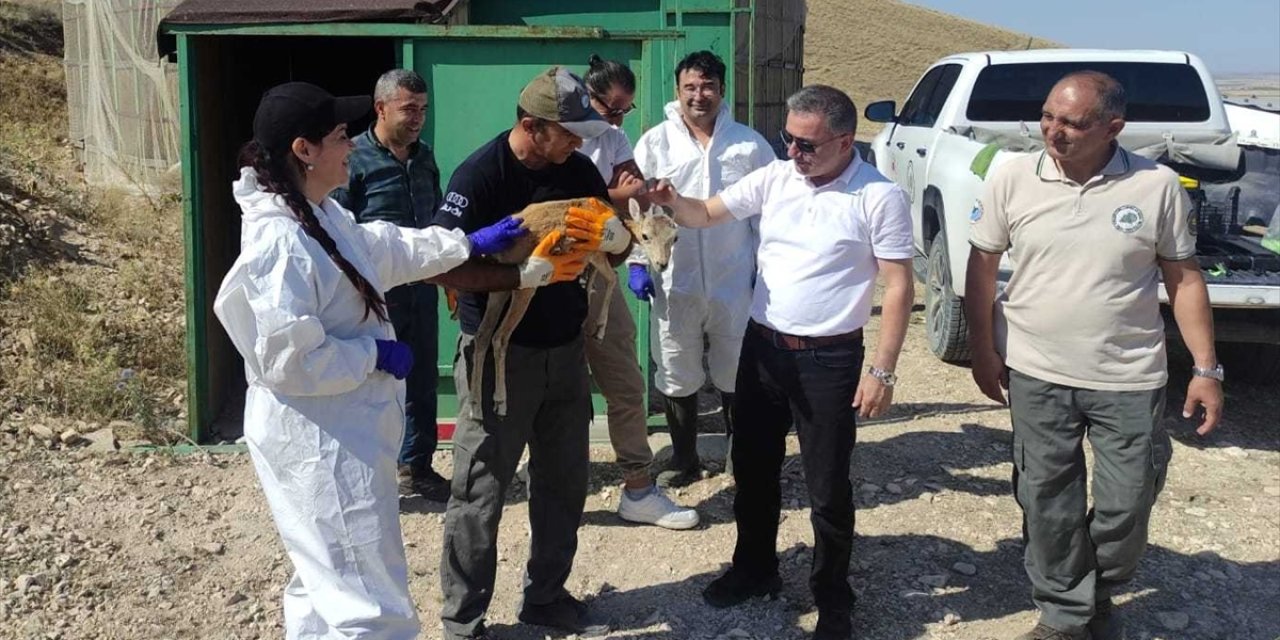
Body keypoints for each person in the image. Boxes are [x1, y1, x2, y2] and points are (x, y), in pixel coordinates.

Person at [212, 81, 532, 639]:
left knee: (322, 585)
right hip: (322, 442)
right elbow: (285, 359)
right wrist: (371, 354)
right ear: (303, 150)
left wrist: (466, 244)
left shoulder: (319, 215)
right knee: (368, 603)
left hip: (341, 431)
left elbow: (383, 248)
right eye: (340, 137)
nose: (353, 147)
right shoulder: (279, 244)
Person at [648, 84, 914, 640]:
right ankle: (755, 569)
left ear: (845, 142)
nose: (793, 153)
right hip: (764, 349)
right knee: (752, 468)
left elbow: (898, 285)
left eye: (806, 145)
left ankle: (833, 597)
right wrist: (668, 198)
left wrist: (881, 370)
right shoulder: (777, 176)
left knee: (826, 485)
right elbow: (704, 213)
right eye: (786, 140)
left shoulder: (878, 196)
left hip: (830, 360)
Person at [965, 71, 1224, 640]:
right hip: (1036, 368)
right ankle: (1064, 613)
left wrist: (1206, 369)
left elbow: (1183, 278)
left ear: (1114, 128)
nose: (1054, 132)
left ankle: (1097, 586)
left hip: (1129, 374)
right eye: (1049, 116)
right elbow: (981, 270)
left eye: (1073, 123)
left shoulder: (1156, 186)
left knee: (1128, 502)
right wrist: (983, 350)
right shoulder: (1013, 177)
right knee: (1046, 497)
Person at [430, 66, 631, 640]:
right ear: (530, 126)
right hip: (500, 357)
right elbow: (442, 264)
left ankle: (546, 597)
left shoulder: (578, 169)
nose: (577, 143)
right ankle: (463, 623)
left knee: (565, 481)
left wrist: (616, 242)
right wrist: (516, 274)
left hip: (564, 351)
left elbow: (607, 247)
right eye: (567, 133)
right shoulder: (481, 173)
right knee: (481, 491)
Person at [633, 50, 776, 487]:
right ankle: (684, 458)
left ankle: (740, 454)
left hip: (735, 278)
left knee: (736, 366)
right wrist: (640, 262)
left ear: (722, 90)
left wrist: (765, 270)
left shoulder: (750, 146)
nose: (699, 95)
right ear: (677, 92)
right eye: (690, 87)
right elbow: (638, 211)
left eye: (708, 86)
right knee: (677, 365)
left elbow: (770, 213)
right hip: (675, 281)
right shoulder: (655, 143)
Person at [578, 54, 700, 529]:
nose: (616, 120)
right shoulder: (556, 135)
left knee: (627, 385)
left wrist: (649, 191)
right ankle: (557, 491)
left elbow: (630, 189)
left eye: (624, 111)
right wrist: (612, 194)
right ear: (585, 98)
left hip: (599, 275)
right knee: (558, 393)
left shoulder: (612, 137)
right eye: (611, 109)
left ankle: (638, 489)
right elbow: (569, 198)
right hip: (551, 278)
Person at [332, 68, 450, 503]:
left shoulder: (425, 157)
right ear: (380, 108)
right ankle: (368, 475)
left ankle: (416, 467)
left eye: (422, 109)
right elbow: (336, 229)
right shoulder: (354, 159)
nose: (417, 118)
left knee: (420, 380)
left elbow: (436, 217)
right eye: (408, 109)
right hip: (375, 294)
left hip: (420, 287)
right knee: (374, 382)